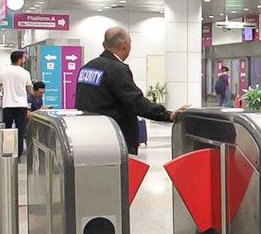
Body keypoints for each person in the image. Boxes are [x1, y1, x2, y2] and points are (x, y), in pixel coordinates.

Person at [75, 26, 189, 155]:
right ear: (125, 45)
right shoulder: (117, 69)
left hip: (90, 136)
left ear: (104, 44)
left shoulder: (87, 67)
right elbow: (135, 101)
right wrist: (166, 115)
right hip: (115, 139)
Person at [0, 50, 33, 156]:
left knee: (7, 129)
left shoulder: (4, 71)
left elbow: (0, 86)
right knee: (20, 131)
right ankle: (18, 153)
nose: (24, 60)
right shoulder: (25, 73)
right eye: (23, 58)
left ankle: (6, 151)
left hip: (7, 104)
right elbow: (29, 89)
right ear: (19, 60)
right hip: (21, 105)